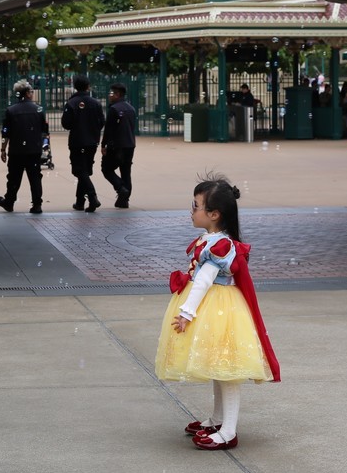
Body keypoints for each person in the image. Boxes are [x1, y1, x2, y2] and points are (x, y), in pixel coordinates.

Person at [154, 175, 281, 451]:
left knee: (227, 370)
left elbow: (203, 281)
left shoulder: (219, 245)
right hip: (217, 307)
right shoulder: (212, 239)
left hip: (218, 309)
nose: (192, 211)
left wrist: (187, 313)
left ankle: (228, 430)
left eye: (196, 206)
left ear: (213, 214)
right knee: (218, 366)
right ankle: (218, 419)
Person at [0, 79, 49, 214]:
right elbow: (45, 131)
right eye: (31, 91)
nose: (32, 93)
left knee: (14, 177)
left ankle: (9, 201)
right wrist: (44, 147)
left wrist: (3, 149)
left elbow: (5, 132)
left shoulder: (11, 110)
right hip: (34, 149)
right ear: (27, 93)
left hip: (16, 150)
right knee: (35, 177)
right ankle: (37, 204)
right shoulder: (38, 109)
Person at [61, 76, 105, 212]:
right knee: (84, 170)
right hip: (92, 141)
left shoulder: (71, 103)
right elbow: (101, 122)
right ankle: (80, 201)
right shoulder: (95, 103)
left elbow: (66, 124)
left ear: (75, 86)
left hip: (77, 141)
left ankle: (92, 197)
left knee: (79, 170)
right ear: (88, 86)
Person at [100, 83, 136, 208]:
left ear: (118, 94)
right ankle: (124, 200)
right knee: (126, 171)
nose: (110, 96)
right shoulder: (131, 108)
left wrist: (104, 145)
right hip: (130, 144)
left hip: (116, 145)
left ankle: (121, 189)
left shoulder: (114, 109)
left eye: (112, 93)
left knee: (106, 169)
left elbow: (108, 129)